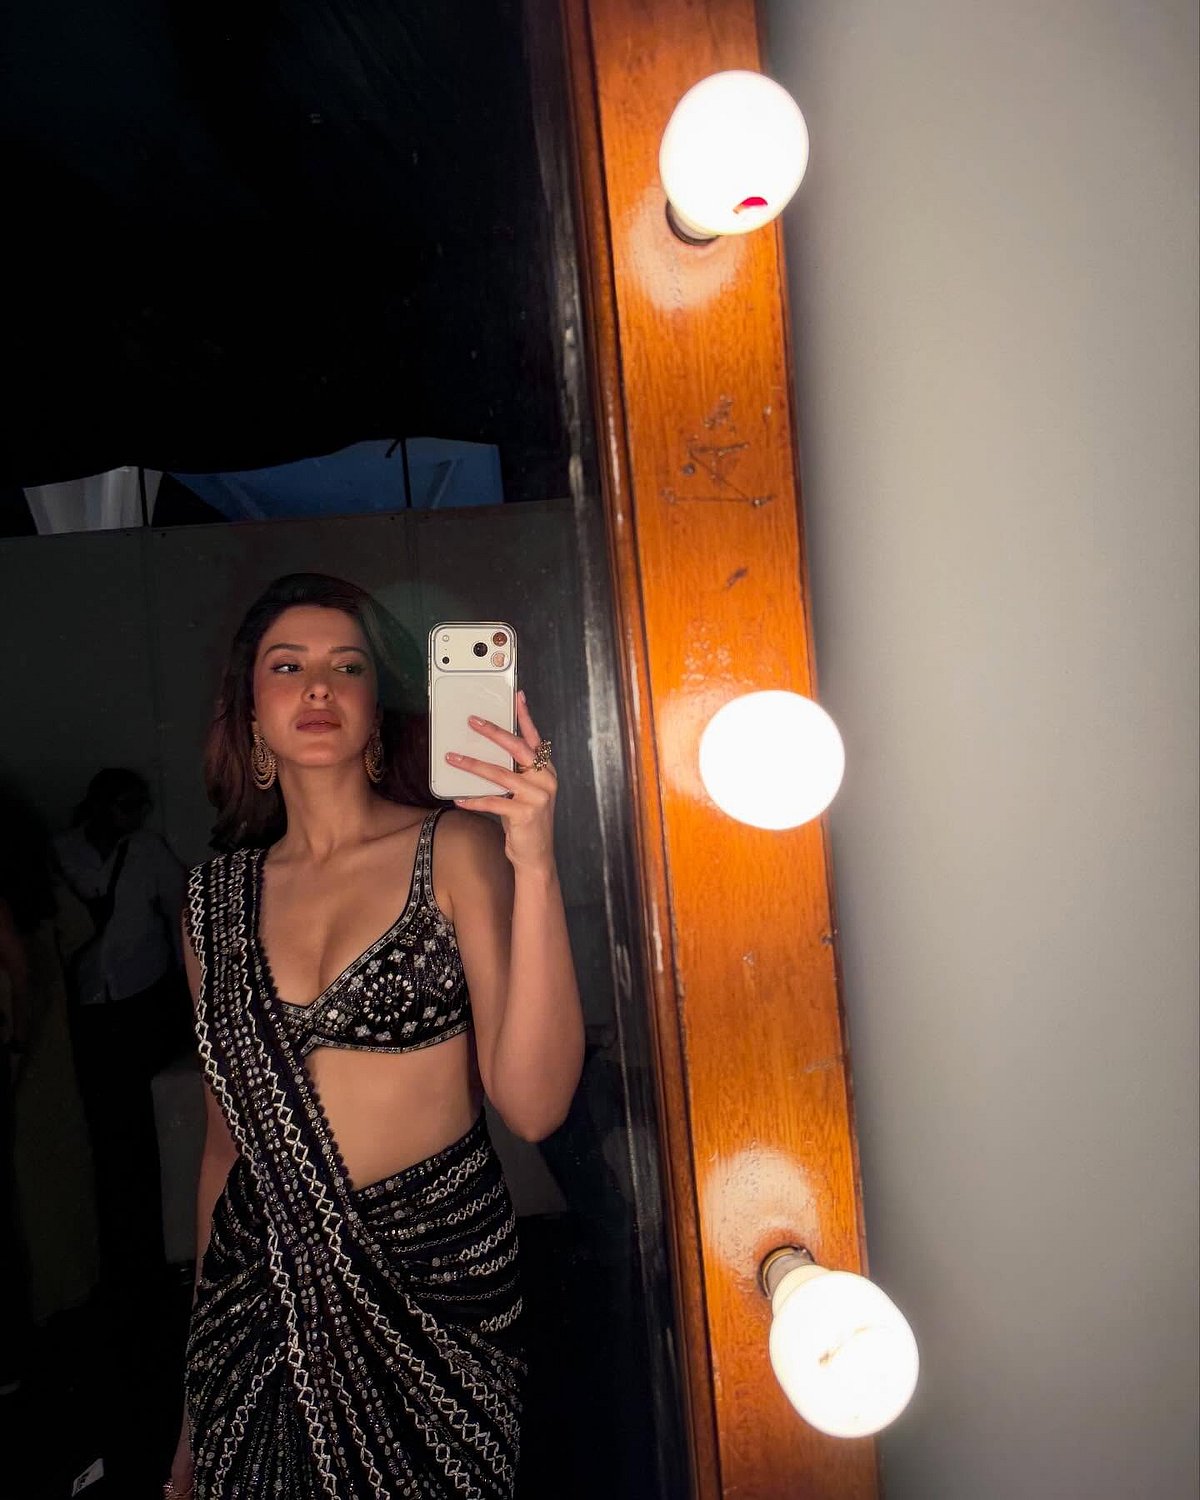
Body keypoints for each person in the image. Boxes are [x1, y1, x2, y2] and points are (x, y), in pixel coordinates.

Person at [167, 573, 583, 1499]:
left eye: (347, 666)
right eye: (288, 666)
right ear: (251, 712)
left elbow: (535, 1107)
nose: (318, 685)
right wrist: (193, 1410)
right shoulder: (211, 903)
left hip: (433, 1302)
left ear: (376, 706)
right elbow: (225, 1152)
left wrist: (535, 863)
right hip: (257, 1318)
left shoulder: (454, 851)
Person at [54, 769, 188, 1291]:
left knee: (142, 1119)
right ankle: (116, 1240)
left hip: (141, 997)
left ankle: (148, 1238)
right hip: (88, 999)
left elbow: (180, 913)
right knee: (102, 1121)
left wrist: (187, 988)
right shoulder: (63, 852)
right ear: (101, 806)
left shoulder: (146, 849)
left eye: (141, 804)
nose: (137, 814)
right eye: (127, 804)